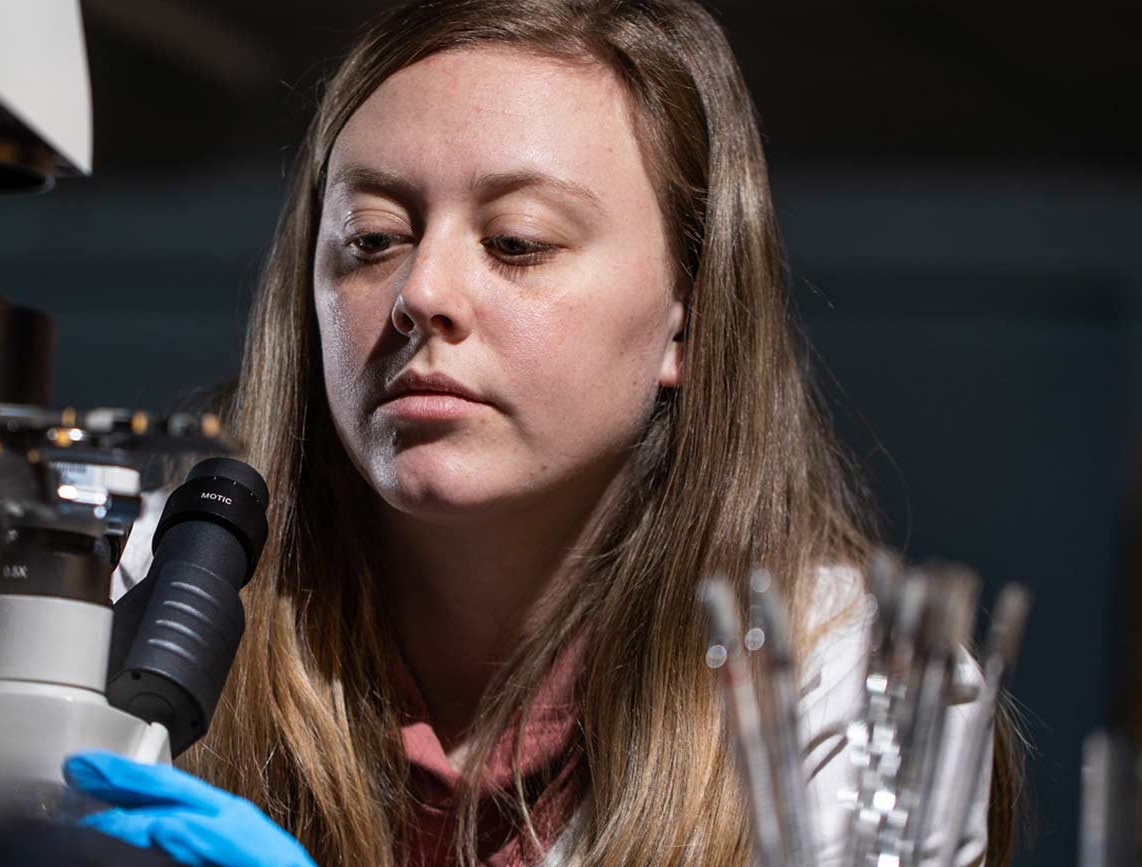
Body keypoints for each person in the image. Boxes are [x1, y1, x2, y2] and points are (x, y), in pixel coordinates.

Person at [65, 1, 1021, 865]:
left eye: (517, 241)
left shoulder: (849, 694)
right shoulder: (144, 588)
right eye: (372, 239)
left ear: (685, 316)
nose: (423, 294)